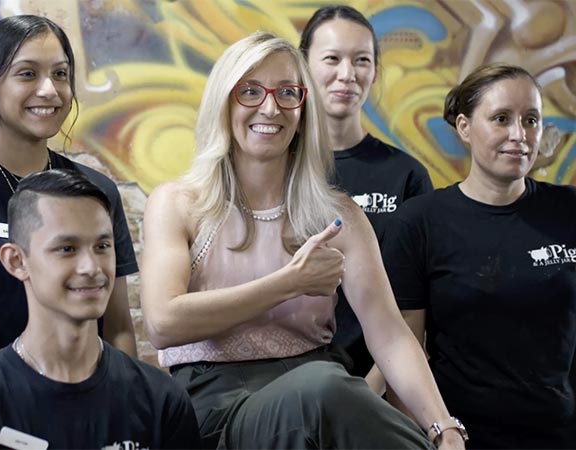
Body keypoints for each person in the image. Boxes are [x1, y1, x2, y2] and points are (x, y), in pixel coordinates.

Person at [141, 31, 466, 449]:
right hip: (217, 406)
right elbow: (163, 323)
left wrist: (445, 427)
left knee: (328, 388)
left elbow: (389, 334)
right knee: (326, 388)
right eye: (250, 91)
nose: (271, 107)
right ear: (224, 101)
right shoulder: (179, 203)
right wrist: (288, 283)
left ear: (303, 109)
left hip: (324, 395)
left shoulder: (339, 215)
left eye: (288, 92)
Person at [0, 15, 139, 391]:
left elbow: (117, 327)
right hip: (5, 417)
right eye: (27, 74)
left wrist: (126, 406)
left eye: (61, 74)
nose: (50, 90)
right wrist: (6, 425)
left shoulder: (97, 190)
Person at [0, 169, 201, 449]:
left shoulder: (161, 401)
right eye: (67, 249)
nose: (91, 268)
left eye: (102, 246)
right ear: (16, 261)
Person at [381, 63, 576, 449]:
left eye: (531, 120)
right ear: (465, 128)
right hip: (461, 438)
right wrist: (426, 438)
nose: (519, 135)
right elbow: (400, 352)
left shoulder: (568, 211)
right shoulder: (419, 222)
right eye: (501, 119)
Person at [300, 5, 433, 383]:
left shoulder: (406, 176)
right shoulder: (276, 168)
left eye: (361, 60)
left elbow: (413, 311)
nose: (347, 74)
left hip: (376, 383)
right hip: (285, 384)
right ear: (303, 65)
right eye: (331, 58)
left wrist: (368, 396)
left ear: (375, 71)